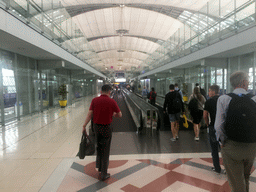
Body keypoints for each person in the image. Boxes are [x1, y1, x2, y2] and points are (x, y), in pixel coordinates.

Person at [215, 71, 256, 192]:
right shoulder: (254, 99)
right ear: (243, 82)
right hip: (251, 145)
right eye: (247, 81)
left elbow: (218, 126)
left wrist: (222, 142)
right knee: (246, 176)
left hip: (231, 146)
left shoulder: (224, 99)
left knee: (236, 181)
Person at [82, 84, 122, 181]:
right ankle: (104, 173)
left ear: (101, 91)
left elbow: (89, 114)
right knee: (105, 149)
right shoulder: (112, 101)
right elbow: (120, 115)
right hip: (106, 128)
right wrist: (112, 114)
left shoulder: (94, 100)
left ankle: (99, 167)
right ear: (109, 92)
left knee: (99, 147)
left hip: (96, 128)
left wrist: (84, 125)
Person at [203, 85, 221, 173]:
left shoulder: (209, 101)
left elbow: (205, 115)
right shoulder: (223, 100)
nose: (208, 93)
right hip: (223, 128)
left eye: (209, 91)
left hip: (213, 127)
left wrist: (207, 124)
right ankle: (228, 169)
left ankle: (217, 168)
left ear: (213, 92)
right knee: (224, 149)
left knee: (214, 149)